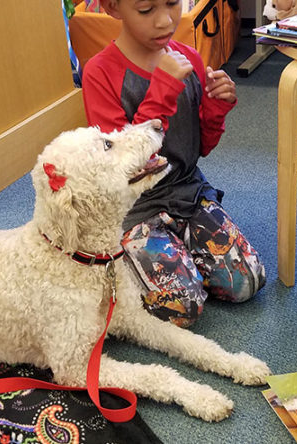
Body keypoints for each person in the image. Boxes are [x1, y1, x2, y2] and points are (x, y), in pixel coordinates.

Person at [82, 0, 266, 328]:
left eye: (172, 3)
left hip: (188, 191)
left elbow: (202, 147)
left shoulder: (188, 58)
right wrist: (163, 89)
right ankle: (137, 258)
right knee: (184, 308)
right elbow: (123, 166)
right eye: (145, 10)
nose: (165, 21)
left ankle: (176, 246)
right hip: (137, 207)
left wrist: (216, 107)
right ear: (113, 8)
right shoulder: (100, 73)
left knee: (247, 282)